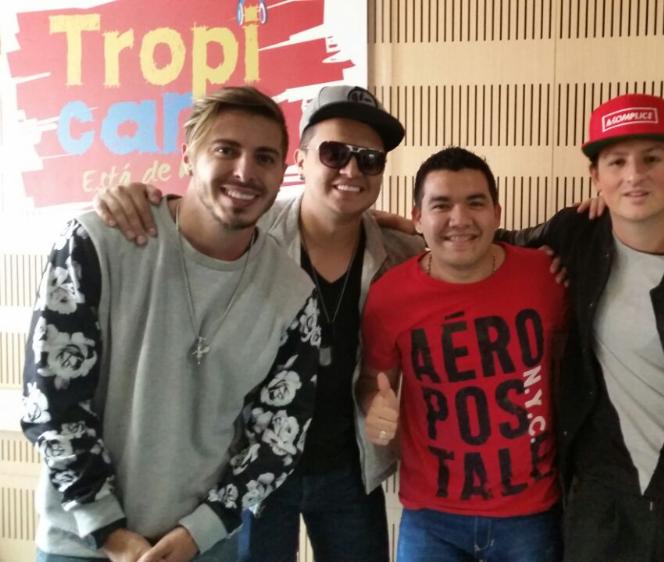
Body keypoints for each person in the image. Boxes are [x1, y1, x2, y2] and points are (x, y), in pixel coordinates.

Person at [91, 85, 425, 562]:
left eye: (369, 160)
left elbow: (475, 248)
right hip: (247, 465)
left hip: (350, 467)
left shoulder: (403, 253)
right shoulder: (246, 233)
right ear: (300, 160)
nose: (352, 171)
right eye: (334, 153)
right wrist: (129, 197)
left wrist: (433, 226)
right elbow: (189, 217)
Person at [21, 86, 321, 562]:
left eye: (264, 158)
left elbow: (280, 437)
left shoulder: (294, 295)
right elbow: (51, 401)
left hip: (204, 546)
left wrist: (200, 531)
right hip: (80, 544)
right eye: (226, 150)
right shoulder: (95, 243)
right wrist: (111, 533)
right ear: (187, 156)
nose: (245, 171)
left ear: (281, 172)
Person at [500, 93, 664, 560]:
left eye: (651, 158)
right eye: (617, 162)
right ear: (595, 176)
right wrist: (404, 228)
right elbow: (489, 246)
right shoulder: (575, 234)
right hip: (602, 497)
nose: (634, 175)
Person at [358, 147, 567, 561]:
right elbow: (372, 380)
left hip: (531, 514)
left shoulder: (545, 277)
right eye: (441, 205)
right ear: (418, 218)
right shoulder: (389, 296)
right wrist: (372, 405)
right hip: (431, 517)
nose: (460, 219)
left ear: (497, 213)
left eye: (475, 203)